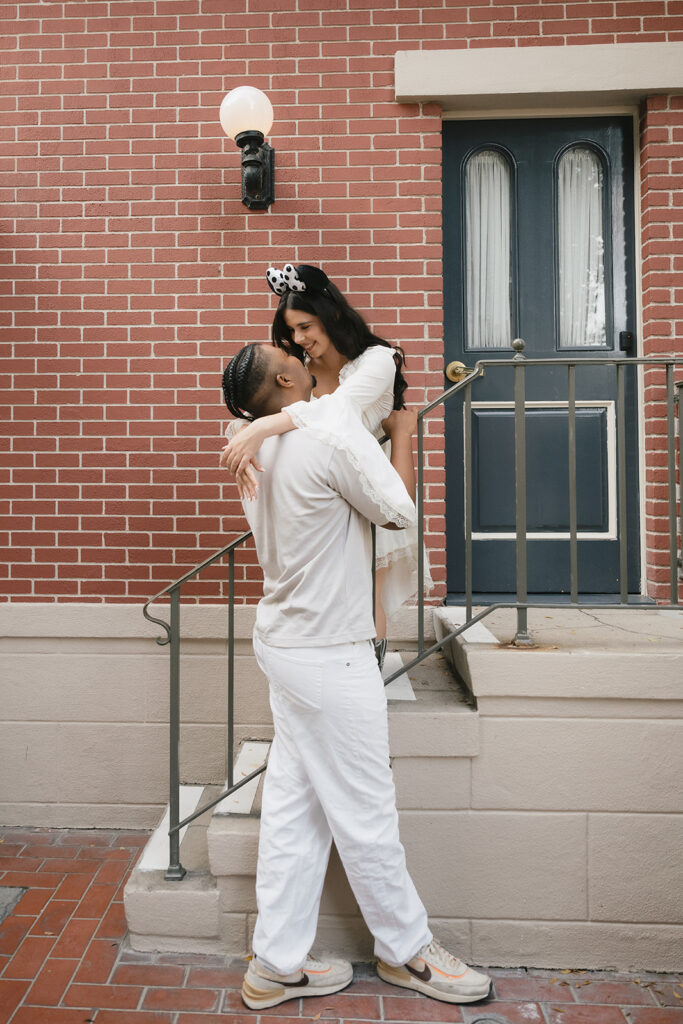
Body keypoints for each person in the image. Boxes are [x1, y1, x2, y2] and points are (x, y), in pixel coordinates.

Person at [221, 341, 491, 1012]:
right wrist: (393, 437)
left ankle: (275, 965)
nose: (300, 350)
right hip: (328, 653)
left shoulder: (256, 448)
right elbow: (396, 507)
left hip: (285, 643)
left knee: (294, 811)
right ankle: (407, 951)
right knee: (365, 811)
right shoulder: (322, 440)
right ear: (287, 377)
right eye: (288, 350)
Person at [220, 263, 433, 666]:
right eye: (292, 332)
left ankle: (368, 673)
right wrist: (244, 436)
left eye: (305, 327)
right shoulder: (296, 370)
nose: (298, 339)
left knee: (370, 585)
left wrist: (260, 429)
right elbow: (264, 406)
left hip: (370, 483)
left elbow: (340, 411)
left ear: (331, 315)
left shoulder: (377, 361)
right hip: (319, 496)